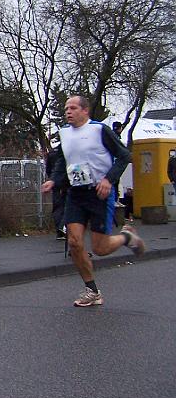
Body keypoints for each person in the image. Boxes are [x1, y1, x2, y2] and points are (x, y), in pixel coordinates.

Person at [42, 95, 144, 307]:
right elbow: (62, 160)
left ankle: (126, 237)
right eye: (66, 109)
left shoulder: (100, 130)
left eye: (73, 108)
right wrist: (53, 180)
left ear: (85, 111)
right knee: (74, 242)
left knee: (101, 248)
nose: (68, 112)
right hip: (76, 194)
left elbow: (125, 156)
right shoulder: (65, 134)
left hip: (99, 193)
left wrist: (108, 180)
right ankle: (92, 290)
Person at [45, 140, 67, 241]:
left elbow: (48, 169)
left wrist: (52, 179)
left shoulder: (52, 152)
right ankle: (64, 227)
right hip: (66, 182)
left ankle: (59, 229)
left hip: (55, 183)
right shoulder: (67, 151)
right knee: (67, 205)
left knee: (57, 206)